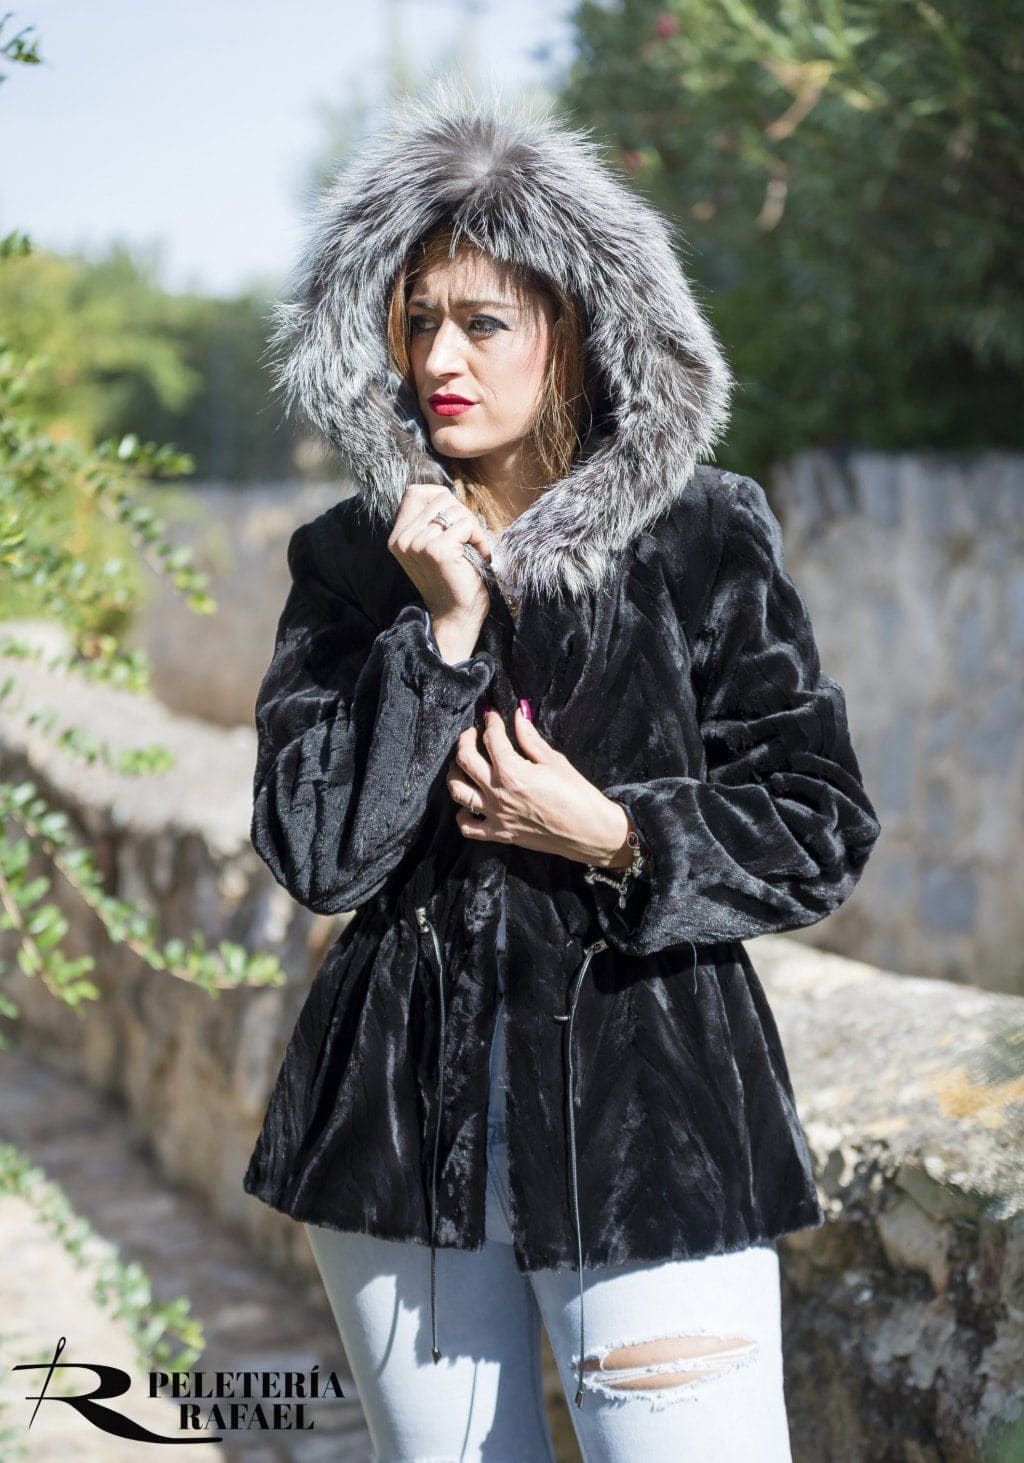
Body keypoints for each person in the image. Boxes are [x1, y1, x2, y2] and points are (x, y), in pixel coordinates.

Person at [243, 85, 882, 1461]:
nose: (440, 358)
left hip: (653, 1114)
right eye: (416, 321)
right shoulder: (350, 561)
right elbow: (316, 853)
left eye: (484, 320)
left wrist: (615, 833)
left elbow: (821, 822)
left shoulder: (704, 536)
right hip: (400, 1130)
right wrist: (446, 634)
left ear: (579, 329)